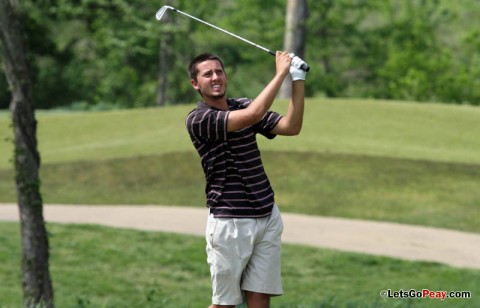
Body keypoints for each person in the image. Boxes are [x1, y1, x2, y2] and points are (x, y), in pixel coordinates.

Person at [185, 51, 306, 308]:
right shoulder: (199, 119)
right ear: (196, 84)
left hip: (266, 214)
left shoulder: (242, 104)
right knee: (225, 304)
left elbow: (291, 127)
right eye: (208, 74)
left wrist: (297, 79)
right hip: (230, 220)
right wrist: (281, 73)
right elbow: (251, 116)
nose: (216, 77)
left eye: (219, 71)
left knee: (260, 299)